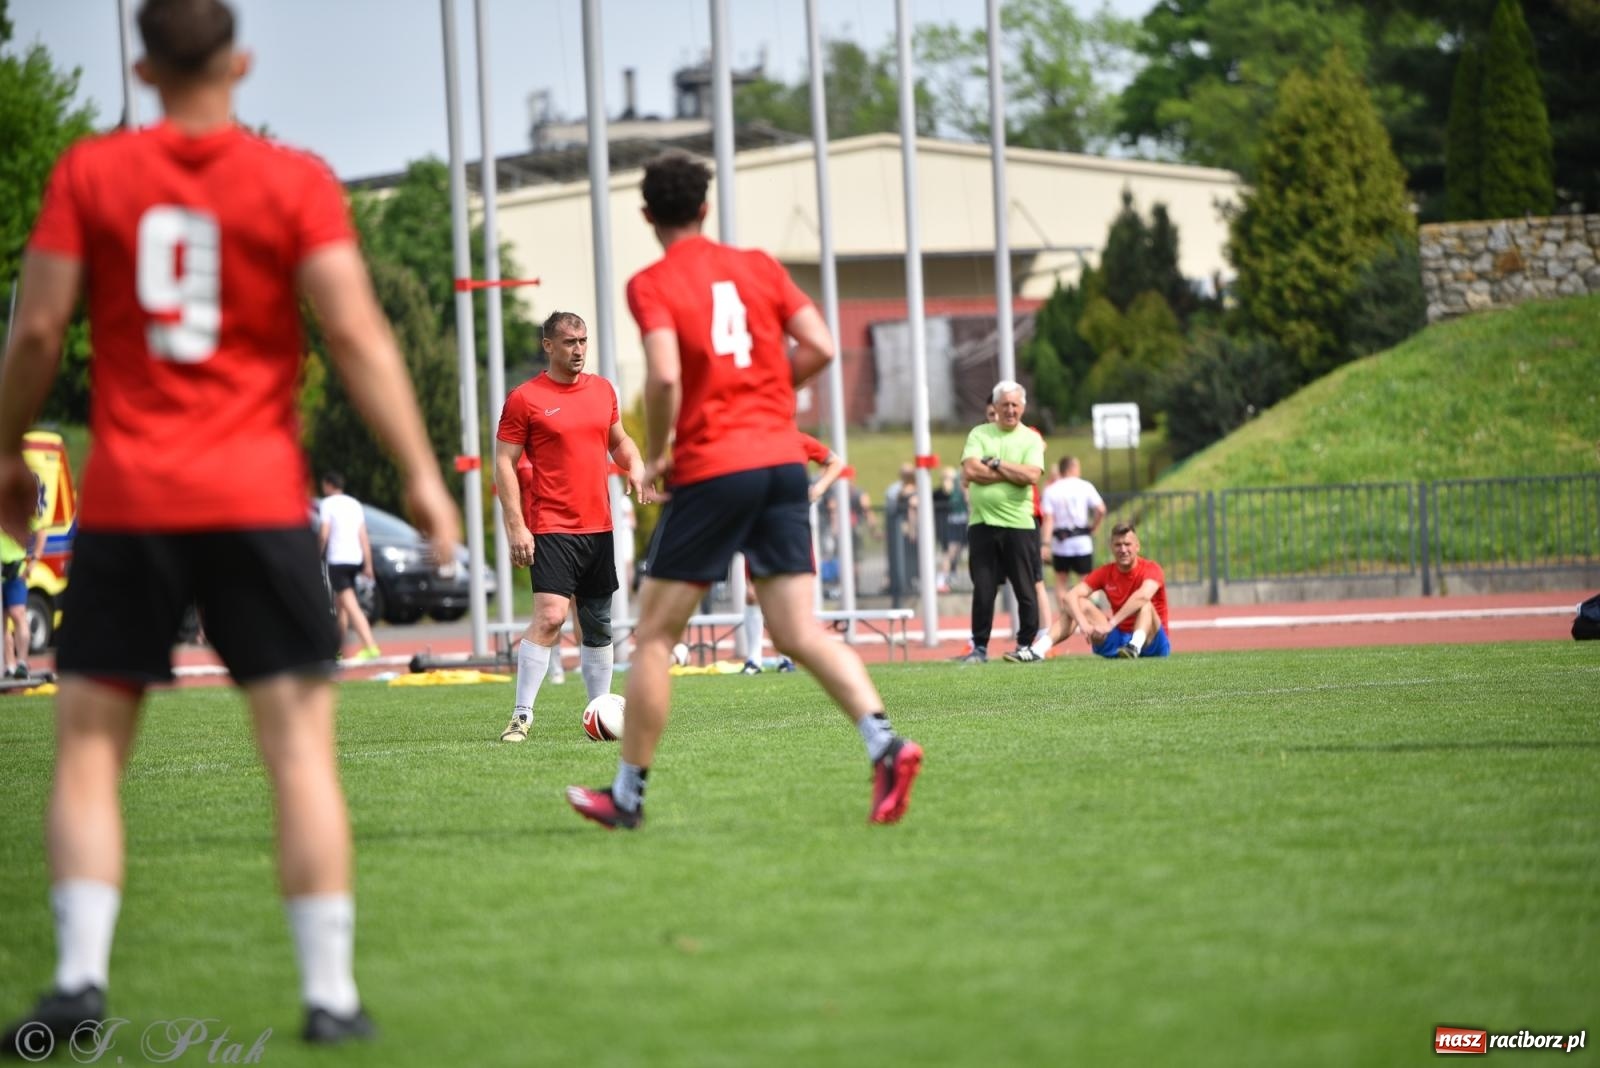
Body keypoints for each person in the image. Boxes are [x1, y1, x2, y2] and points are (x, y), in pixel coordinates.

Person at [0, 0, 461, 1050]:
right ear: (240, 62)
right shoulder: (293, 181)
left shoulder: (91, 175)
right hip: (256, 500)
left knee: (86, 750)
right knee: (298, 752)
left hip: (132, 501)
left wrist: (5, 446)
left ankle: (77, 979)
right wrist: (425, 476)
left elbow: (35, 329)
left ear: (144, 66)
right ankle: (330, 996)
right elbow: (356, 333)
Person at [566, 151, 923, 830]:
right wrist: (763, 393)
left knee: (652, 639)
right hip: (782, 462)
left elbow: (666, 377)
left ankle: (628, 796)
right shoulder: (758, 265)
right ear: (706, 206)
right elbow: (818, 344)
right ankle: (886, 743)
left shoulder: (653, 282)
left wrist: (667, 450)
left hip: (714, 468)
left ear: (646, 215)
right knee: (797, 629)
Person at [495, 311, 646, 744]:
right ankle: (521, 716)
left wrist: (634, 465)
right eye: (569, 342)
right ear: (548, 346)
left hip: (598, 526)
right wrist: (516, 525)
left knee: (597, 622)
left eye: (583, 340)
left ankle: (599, 713)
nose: (578, 349)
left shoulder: (602, 390)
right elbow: (504, 462)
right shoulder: (525, 398)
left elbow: (619, 441)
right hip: (550, 525)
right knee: (550, 617)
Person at [956, 381, 1045, 664]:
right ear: (994, 407)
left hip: (1019, 525)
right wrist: (1010, 473)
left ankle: (1024, 645)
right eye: (1004, 404)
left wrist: (996, 464)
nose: (1010, 410)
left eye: (1014, 405)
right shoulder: (979, 433)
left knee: (1025, 588)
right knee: (983, 588)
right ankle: (979, 647)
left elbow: (1031, 475)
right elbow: (970, 470)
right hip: (981, 523)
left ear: (1023, 407)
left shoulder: (1030, 438)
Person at [741, 429, 844, 674]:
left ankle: (786, 658)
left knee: (790, 592)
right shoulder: (749, 438)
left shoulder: (799, 440)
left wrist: (817, 489)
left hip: (791, 527)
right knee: (753, 593)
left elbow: (835, 462)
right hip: (757, 524)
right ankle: (753, 659)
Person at [1058, 523, 1172, 659]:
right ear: (1111, 547)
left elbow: (1143, 596)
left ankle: (1134, 646)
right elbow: (1070, 597)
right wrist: (1084, 624)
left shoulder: (1152, 569)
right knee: (1079, 604)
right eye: (1118, 545)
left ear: (1137, 546)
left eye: (1127, 544)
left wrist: (1110, 624)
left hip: (1151, 642)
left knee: (1145, 603)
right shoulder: (1105, 572)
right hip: (1121, 639)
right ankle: (1039, 649)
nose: (1123, 549)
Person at [1040, 455, 1106, 653]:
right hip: (1082, 541)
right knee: (1086, 582)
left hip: (1062, 543)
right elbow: (1101, 509)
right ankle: (1089, 613)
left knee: (1061, 581)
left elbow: (1049, 519)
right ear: (1073, 467)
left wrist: (1045, 543)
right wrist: (1093, 527)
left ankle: (1068, 615)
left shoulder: (1051, 490)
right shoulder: (1084, 486)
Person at [317, 471, 381, 663]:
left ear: (328, 485)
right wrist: (368, 563)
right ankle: (337, 650)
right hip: (355, 558)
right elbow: (363, 535)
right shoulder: (354, 504)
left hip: (338, 559)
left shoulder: (327, 504)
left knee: (351, 606)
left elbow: (324, 532)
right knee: (342, 606)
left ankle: (370, 646)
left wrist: (316, 554)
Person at [0, 524, 44, 680]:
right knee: (2, 621)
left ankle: (22, 662)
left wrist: (34, 559)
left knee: (17, 613)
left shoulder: (14, 504)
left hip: (15, 571)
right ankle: (9, 665)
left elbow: (40, 531)